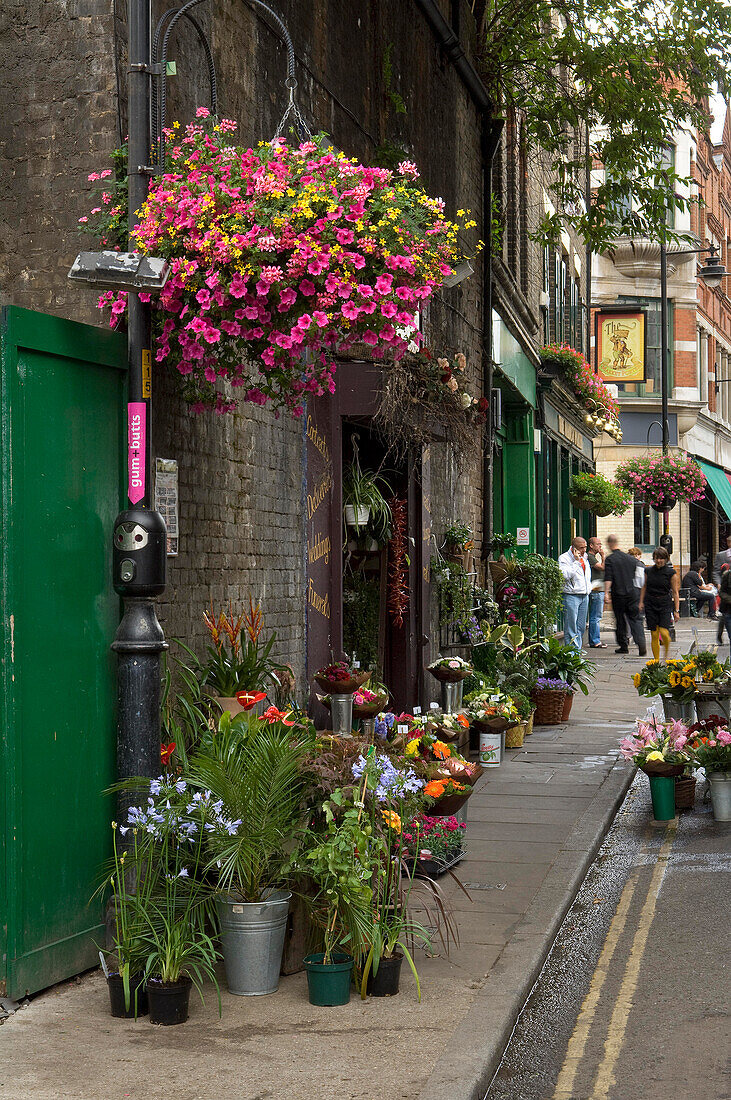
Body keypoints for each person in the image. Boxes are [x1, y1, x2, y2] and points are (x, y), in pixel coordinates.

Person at [604, 535, 647, 656]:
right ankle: (641, 642)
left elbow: (608, 578)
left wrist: (606, 593)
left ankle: (623, 645)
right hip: (633, 594)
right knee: (635, 619)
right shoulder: (631, 559)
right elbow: (640, 578)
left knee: (620, 620)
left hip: (619, 594)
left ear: (609, 544)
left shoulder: (610, 559)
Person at [639, 546, 680, 661]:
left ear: (666, 559)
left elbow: (675, 592)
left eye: (661, 558)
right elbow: (644, 586)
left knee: (664, 632)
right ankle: (656, 660)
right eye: (656, 558)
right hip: (650, 603)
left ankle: (666, 655)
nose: (658, 560)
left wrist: (676, 610)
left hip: (665, 603)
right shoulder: (648, 570)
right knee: (654, 634)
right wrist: (641, 602)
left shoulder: (671, 573)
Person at [558, 536, 591, 649]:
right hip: (571, 596)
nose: (584, 550)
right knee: (571, 627)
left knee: (581, 627)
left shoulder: (585, 557)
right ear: (573, 549)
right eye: (581, 548)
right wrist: (576, 562)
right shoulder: (564, 558)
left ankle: (577, 653)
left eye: (585, 547)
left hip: (584, 595)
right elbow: (565, 576)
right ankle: (571, 655)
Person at [586, 535, 607, 648]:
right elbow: (603, 567)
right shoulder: (590, 557)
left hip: (598, 590)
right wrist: (603, 556)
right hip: (596, 590)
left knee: (595, 616)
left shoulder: (592, 557)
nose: (600, 546)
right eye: (598, 544)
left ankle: (593, 640)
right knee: (595, 617)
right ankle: (595, 641)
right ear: (591, 545)